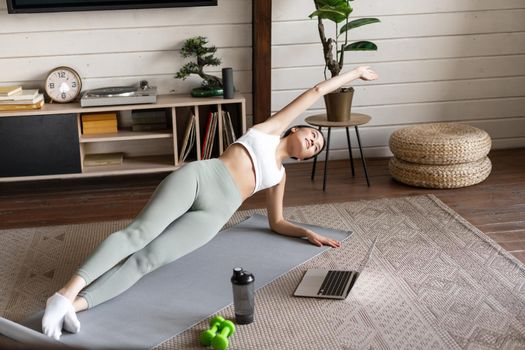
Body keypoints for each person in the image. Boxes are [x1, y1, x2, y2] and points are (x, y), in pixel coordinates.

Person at [41, 66, 379, 340]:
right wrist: (354, 74)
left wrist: (306, 232)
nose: (313, 141)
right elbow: (316, 92)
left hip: (216, 214)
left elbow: (276, 221)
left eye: (316, 147)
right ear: (294, 131)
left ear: (306, 157)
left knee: (147, 262)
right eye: (313, 135)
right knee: (138, 235)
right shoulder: (269, 130)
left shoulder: (279, 177)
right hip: (202, 178)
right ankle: (64, 293)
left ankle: (76, 306)